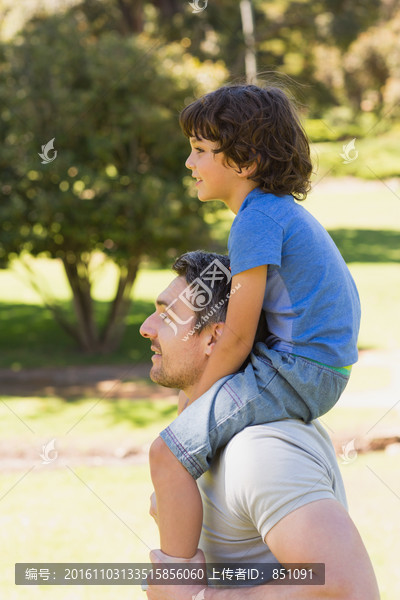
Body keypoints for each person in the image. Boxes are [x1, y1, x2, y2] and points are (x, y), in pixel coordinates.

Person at [149, 84, 361, 561]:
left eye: (201, 151)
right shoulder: (276, 213)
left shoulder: (255, 221)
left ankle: (177, 582)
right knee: (188, 418)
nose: (190, 163)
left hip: (298, 371)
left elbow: (238, 336)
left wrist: (190, 414)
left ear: (243, 163)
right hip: (309, 367)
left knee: (167, 454)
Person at [140, 250, 379, 600]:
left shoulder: (260, 451)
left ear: (213, 338)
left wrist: (197, 597)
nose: (147, 327)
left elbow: (345, 589)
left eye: (167, 315)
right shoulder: (199, 435)